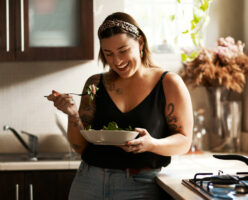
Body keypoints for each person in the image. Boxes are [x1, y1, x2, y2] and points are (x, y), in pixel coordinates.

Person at [47, 12, 193, 200]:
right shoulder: (95, 83)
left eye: (123, 51)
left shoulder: (168, 83)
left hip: (141, 186)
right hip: (88, 182)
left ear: (140, 43)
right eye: (109, 54)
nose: (117, 61)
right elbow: (80, 147)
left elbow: (184, 141)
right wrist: (72, 114)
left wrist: (151, 144)